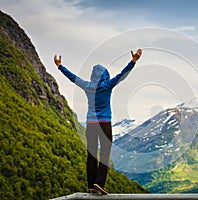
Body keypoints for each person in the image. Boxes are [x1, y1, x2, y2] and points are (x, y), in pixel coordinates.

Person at [54, 49, 142, 194]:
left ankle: (91, 184)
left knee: (91, 154)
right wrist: (133, 61)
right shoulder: (107, 85)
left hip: (91, 125)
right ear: (105, 75)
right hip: (104, 123)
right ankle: (99, 184)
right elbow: (122, 75)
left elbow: (73, 78)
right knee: (105, 153)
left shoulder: (88, 86)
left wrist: (60, 66)